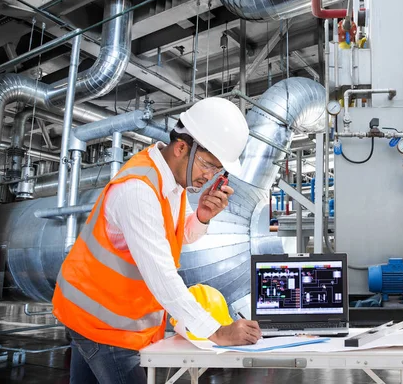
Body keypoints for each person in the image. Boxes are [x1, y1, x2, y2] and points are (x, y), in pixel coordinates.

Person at [52, 97, 262, 384]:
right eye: (208, 165)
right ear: (181, 148)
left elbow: (180, 235)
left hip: (96, 313)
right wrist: (218, 331)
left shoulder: (172, 183)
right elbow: (162, 275)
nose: (209, 177)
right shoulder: (139, 190)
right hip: (104, 323)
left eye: (217, 171)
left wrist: (202, 215)